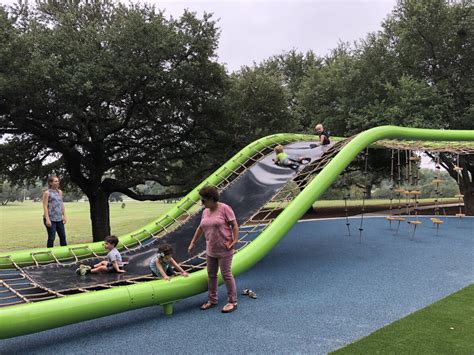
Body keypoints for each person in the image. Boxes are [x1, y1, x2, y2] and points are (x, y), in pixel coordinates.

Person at [188, 186, 239, 313]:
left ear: (211, 198)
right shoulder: (205, 211)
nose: (202, 203)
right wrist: (193, 242)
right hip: (211, 249)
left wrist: (234, 240)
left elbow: (234, 224)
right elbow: (201, 227)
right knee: (211, 275)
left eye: (204, 200)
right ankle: (212, 299)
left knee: (226, 274)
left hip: (224, 248)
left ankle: (233, 301)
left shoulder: (224, 208)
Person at [42, 175, 68, 248]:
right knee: (51, 238)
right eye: (55, 181)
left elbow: (61, 204)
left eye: (58, 181)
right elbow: (45, 206)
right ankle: (49, 254)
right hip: (50, 219)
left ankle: (64, 254)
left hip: (59, 219)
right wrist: (47, 219)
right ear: (50, 183)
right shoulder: (47, 193)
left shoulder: (59, 192)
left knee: (63, 237)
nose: (57, 183)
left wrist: (64, 216)